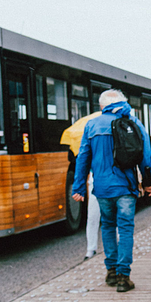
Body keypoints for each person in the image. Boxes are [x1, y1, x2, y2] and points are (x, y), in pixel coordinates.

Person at [72, 89, 151, 292]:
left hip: (102, 187)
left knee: (108, 226)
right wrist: (148, 182)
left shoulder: (91, 125)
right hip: (125, 186)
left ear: (102, 106)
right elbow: (145, 155)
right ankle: (123, 276)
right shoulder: (133, 122)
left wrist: (79, 187)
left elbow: (83, 157)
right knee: (126, 228)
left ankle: (111, 271)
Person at [60, 110, 101, 259]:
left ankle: (91, 249)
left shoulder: (86, 137)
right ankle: (115, 247)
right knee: (112, 217)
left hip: (94, 182)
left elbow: (80, 162)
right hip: (108, 182)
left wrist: (79, 188)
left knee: (93, 216)